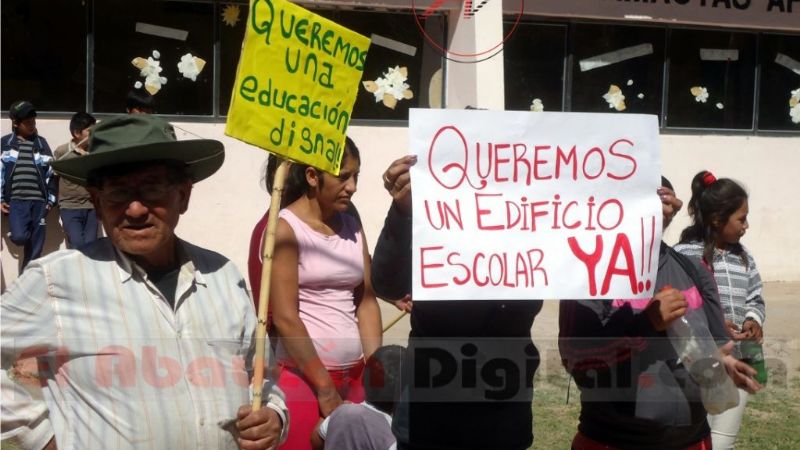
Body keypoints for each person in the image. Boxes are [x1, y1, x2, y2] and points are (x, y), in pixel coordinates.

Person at [1, 115, 288, 450]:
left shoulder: (223, 275)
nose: (135, 209)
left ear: (183, 196)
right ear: (97, 201)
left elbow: (264, 379)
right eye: (118, 193)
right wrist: (41, 440)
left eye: (152, 189)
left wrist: (274, 417)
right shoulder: (54, 281)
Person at [558, 176, 760, 450]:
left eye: (666, 200)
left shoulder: (694, 271)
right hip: (612, 440)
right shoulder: (590, 275)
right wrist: (646, 325)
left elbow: (715, 349)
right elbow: (577, 362)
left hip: (692, 440)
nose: (665, 208)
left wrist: (724, 365)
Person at [372, 155, 543, 450]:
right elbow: (387, 283)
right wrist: (402, 211)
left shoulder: (529, 226)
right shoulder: (430, 223)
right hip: (429, 414)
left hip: (502, 414)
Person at [269, 137, 382, 450]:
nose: (353, 186)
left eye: (356, 176)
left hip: (356, 377)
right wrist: (323, 386)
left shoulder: (353, 226)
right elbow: (285, 317)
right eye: (343, 176)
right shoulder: (286, 228)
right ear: (312, 176)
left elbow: (366, 300)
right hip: (303, 379)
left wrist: (375, 370)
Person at [674, 170, 766, 450]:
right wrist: (714, 325)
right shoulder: (684, 255)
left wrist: (753, 319)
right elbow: (681, 310)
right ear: (717, 219)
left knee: (723, 440)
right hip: (700, 365)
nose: (746, 225)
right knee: (692, 438)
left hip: (740, 361)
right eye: (741, 218)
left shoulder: (745, 257)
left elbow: (755, 298)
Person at [311, 344, 405, 450]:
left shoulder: (343, 411)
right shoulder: (391, 435)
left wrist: (332, 414)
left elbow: (316, 440)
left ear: (363, 380)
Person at [1, 100, 57, 270]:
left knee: (35, 250)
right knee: (19, 237)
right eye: (27, 123)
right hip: (17, 201)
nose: (32, 125)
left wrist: (50, 200)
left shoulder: (41, 143)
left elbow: (51, 173)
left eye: (33, 121)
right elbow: (1, 172)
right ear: (16, 123)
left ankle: (26, 282)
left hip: (39, 202)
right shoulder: (5, 144)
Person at [53, 112, 99, 249]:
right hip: (69, 207)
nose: (94, 135)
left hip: (92, 207)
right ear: (77, 133)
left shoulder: (96, 152)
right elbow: (54, 177)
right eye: (90, 131)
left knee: (91, 245)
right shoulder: (62, 152)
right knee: (77, 244)